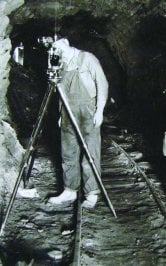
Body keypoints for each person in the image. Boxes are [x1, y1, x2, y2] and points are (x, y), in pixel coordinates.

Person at [47, 38, 108, 208]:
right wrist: (61, 113)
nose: (60, 55)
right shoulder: (62, 63)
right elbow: (61, 90)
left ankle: (92, 192)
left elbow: (102, 84)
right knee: (68, 152)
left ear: (67, 45)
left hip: (88, 110)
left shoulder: (88, 58)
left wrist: (100, 110)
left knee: (90, 153)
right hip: (67, 111)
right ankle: (70, 190)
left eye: (61, 50)